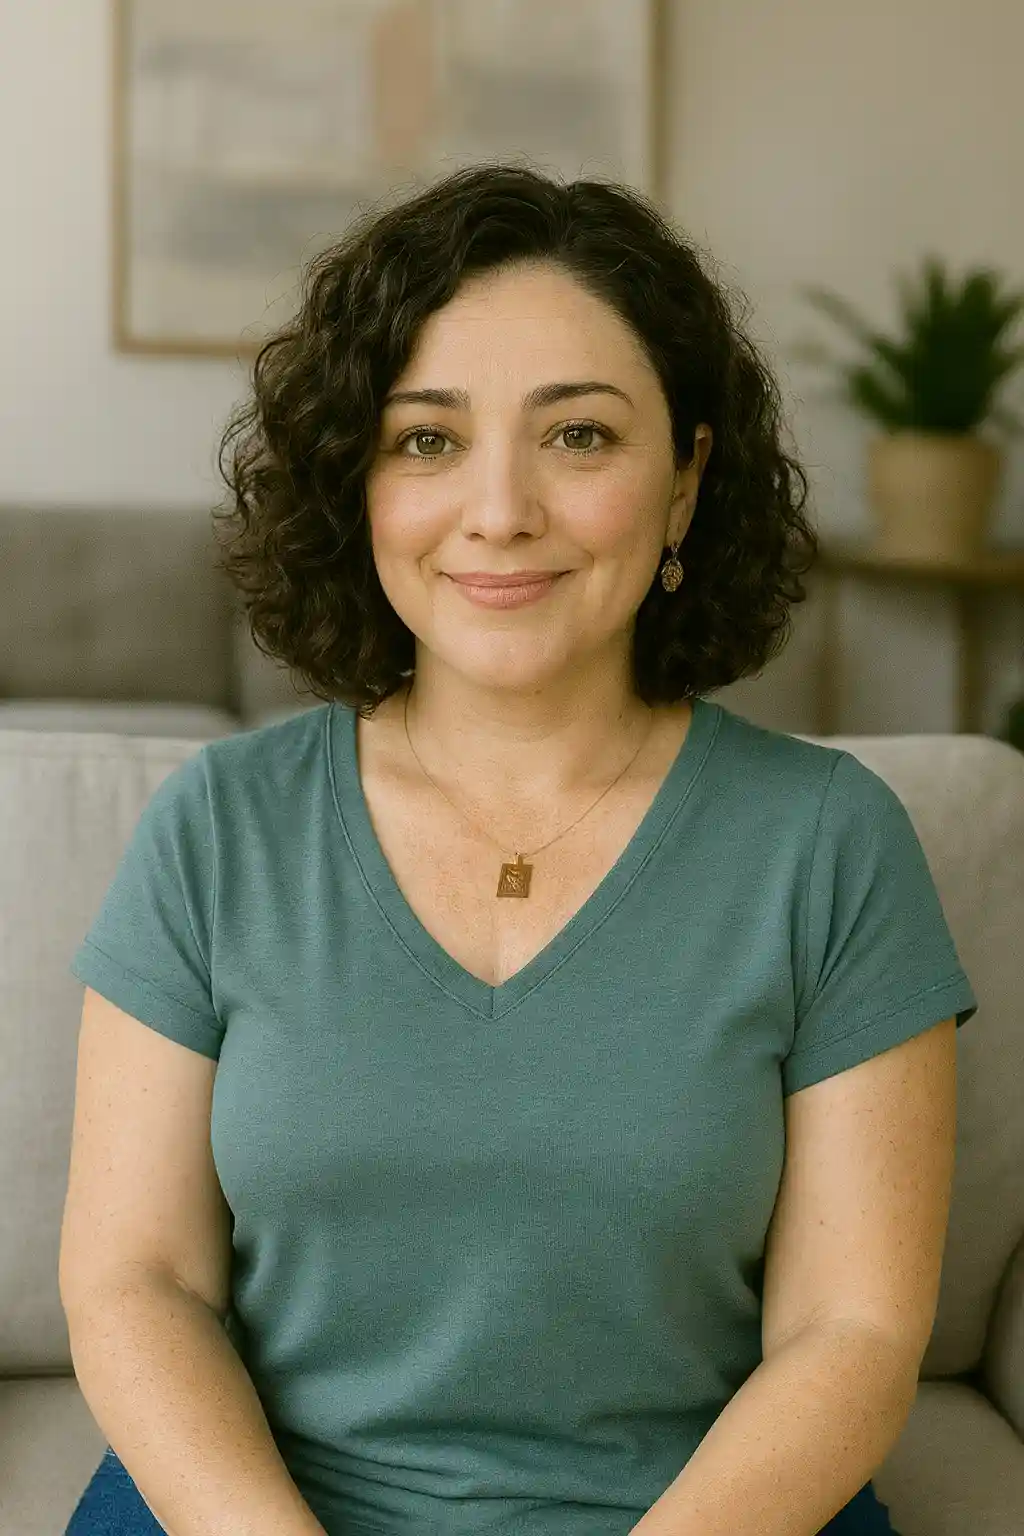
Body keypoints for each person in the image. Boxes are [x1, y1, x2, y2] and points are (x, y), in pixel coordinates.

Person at [64, 163, 977, 1536]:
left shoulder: (831, 844)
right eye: (426, 439)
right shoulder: (216, 828)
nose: (500, 510)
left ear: (685, 482)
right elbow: (141, 1284)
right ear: (355, 481)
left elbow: (850, 1334)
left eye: (581, 438)